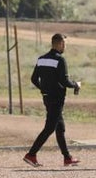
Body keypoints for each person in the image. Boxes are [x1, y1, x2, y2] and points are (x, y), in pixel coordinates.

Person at [23, 33, 82, 167]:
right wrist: (76, 84)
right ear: (60, 44)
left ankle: (67, 158)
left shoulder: (41, 59)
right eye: (64, 44)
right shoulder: (60, 60)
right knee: (50, 128)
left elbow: (33, 79)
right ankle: (31, 154)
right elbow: (64, 81)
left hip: (47, 98)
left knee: (60, 128)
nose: (65, 46)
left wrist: (43, 89)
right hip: (57, 98)